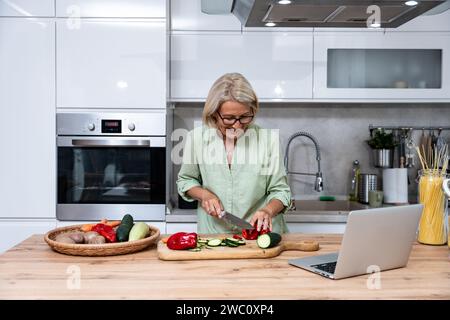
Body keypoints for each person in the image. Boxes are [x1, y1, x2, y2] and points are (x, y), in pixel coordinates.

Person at [176, 73, 291, 234]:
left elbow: (281, 191)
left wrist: (268, 211)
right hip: (214, 235)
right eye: (229, 118)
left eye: (244, 117)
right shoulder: (196, 139)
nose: (237, 126)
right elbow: (185, 180)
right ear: (214, 114)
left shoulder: (268, 140)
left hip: (260, 234)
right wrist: (204, 195)